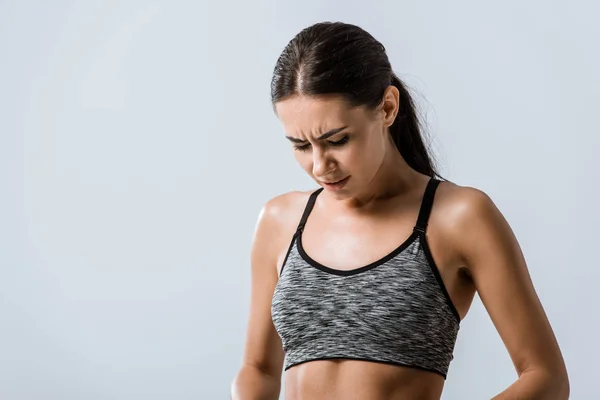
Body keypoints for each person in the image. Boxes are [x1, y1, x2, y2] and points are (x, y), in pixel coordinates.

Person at [230, 21, 569, 400]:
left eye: (337, 140)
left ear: (387, 107)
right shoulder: (280, 221)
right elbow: (257, 369)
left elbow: (546, 378)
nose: (320, 165)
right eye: (301, 146)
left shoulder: (460, 217)